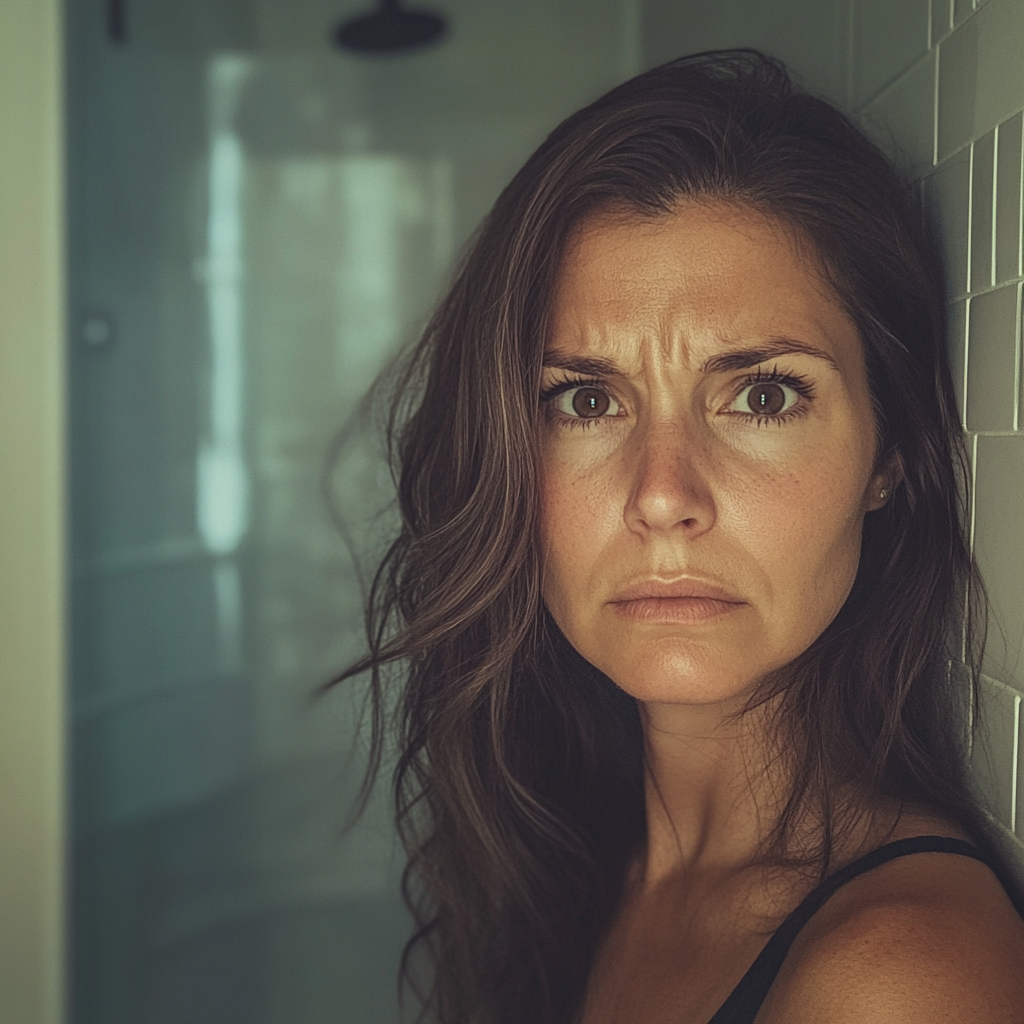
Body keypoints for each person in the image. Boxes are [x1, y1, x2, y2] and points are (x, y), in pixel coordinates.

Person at [335, 50, 1024, 1024]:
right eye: (584, 400)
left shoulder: (900, 977)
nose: (661, 497)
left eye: (762, 394)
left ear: (890, 455)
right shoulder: (574, 856)